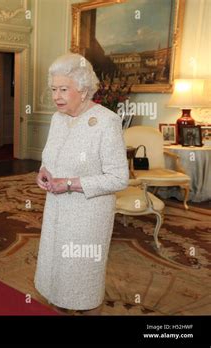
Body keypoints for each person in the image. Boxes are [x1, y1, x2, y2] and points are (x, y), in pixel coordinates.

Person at [34, 53, 129, 314]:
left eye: (64, 89)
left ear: (84, 89)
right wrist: (43, 171)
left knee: (82, 281)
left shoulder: (106, 122)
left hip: (88, 215)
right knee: (56, 274)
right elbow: (49, 156)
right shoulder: (58, 118)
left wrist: (71, 184)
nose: (56, 96)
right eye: (54, 89)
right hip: (56, 209)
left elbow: (119, 177)